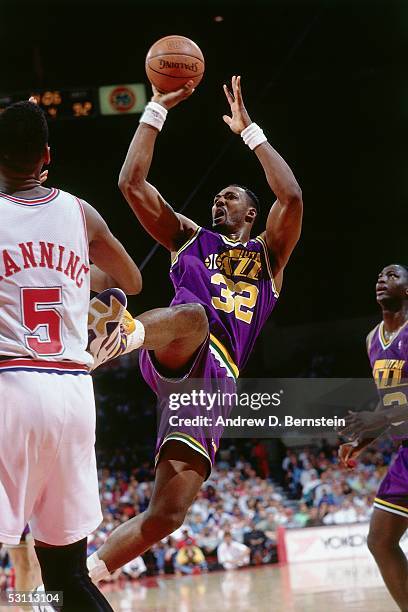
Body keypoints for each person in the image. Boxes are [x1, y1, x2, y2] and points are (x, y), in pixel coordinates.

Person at [87, 74, 303, 582]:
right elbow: (131, 184)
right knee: (196, 315)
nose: (218, 203)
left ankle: (90, 570)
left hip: (214, 382)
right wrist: (155, 110)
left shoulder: (268, 259)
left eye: (230, 199)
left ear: (252, 213)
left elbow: (290, 196)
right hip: (175, 342)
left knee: (169, 511)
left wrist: (252, 134)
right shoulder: (190, 239)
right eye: (216, 199)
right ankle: (117, 336)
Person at [0, 100, 142, 611]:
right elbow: (132, 281)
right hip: (74, 396)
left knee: (31, 572)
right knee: (67, 576)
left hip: (11, 389)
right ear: (47, 156)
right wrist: (69, 281)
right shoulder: (81, 212)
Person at [339, 264, 408, 612]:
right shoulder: (372, 340)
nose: (382, 279)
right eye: (379, 276)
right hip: (405, 451)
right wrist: (361, 441)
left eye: (393, 275)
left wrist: (374, 419)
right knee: (380, 541)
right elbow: (391, 403)